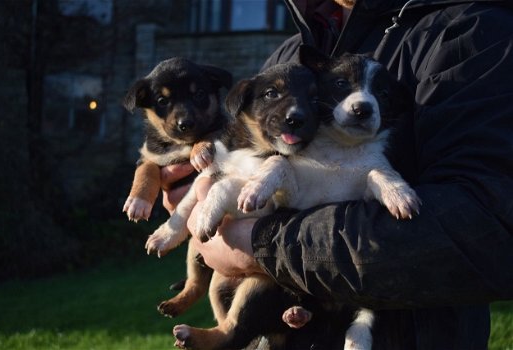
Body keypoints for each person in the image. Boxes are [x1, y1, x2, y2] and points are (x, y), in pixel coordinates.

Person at [160, 0, 513, 348]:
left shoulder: (469, 30)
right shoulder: (294, 49)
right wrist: (200, 186)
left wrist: (260, 243)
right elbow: (239, 151)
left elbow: (489, 225)